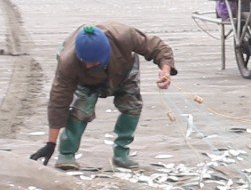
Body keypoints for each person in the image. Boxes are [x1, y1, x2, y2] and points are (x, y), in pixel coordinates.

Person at [32, 21, 177, 171]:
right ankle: (66, 153)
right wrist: (50, 144)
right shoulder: (68, 62)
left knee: (132, 106)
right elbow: (58, 100)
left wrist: (165, 71)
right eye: (85, 61)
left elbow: (159, 48)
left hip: (123, 69)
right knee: (80, 110)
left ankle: (121, 153)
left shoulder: (124, 36)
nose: (89, 65)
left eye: (93, 62)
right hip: (85, 79)